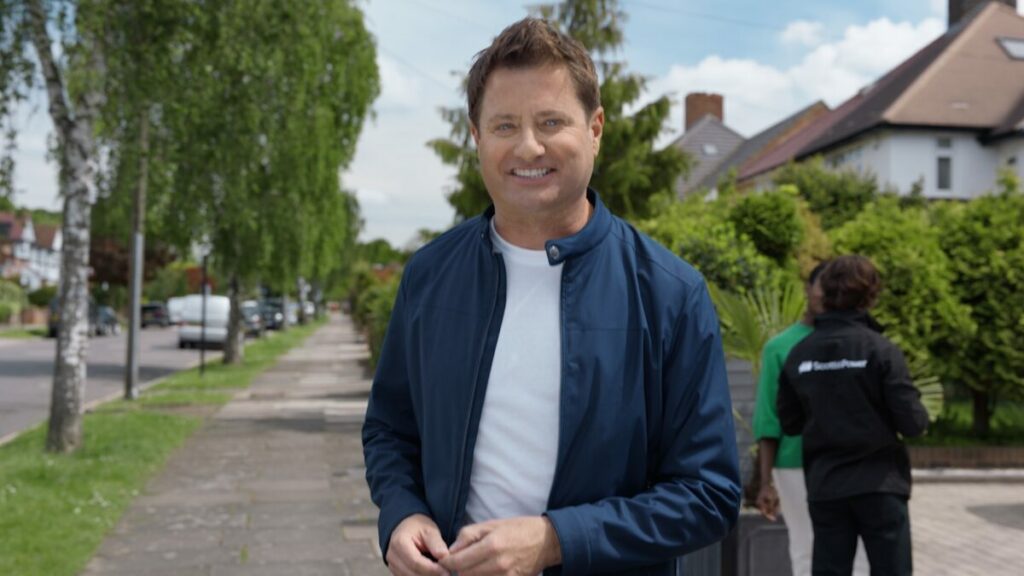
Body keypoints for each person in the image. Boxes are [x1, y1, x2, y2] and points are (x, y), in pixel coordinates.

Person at [362, 17, 740, 576]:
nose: (528, 146)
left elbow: (708, 494)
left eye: (551, 121)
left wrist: (554, 539)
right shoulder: (428, 276)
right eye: (505, 125)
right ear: (477, 136)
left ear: (595, 128)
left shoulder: (670, 293)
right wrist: (402, 513)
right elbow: (390, 429)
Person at [777, 255, 929, 576]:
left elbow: (789, 423)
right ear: (869, 295)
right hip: (880, 485)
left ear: (825, 293)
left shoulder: (799, 354)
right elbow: (914, 424)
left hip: (826, 486)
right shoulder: (881, 350)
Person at [753, 262, 869, 576]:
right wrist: (764, 482)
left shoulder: (858, 340)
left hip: (849, 462)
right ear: (808, 288)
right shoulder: (779, 347)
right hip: (794, 464)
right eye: (824, 286)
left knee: (859, 554)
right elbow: (768, 417)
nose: (829, 294)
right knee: (806, 548)